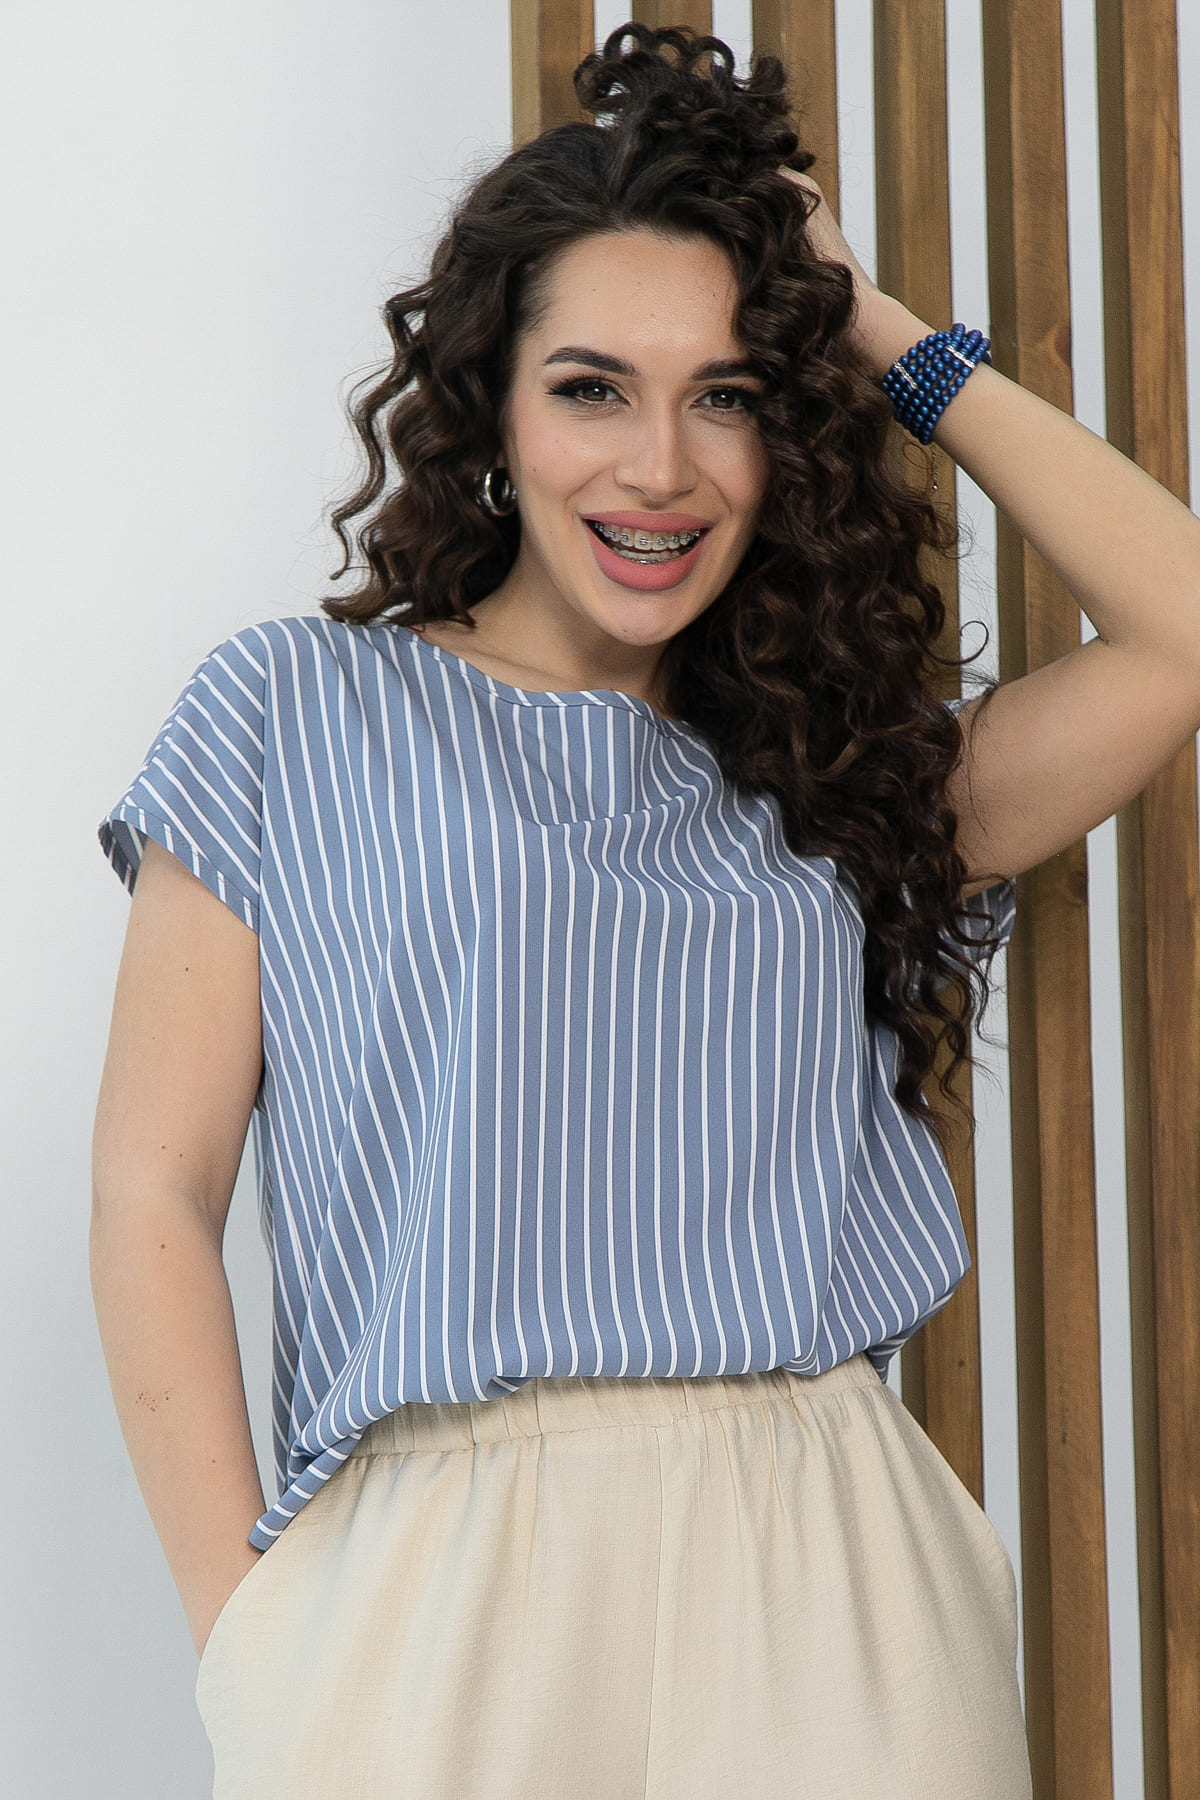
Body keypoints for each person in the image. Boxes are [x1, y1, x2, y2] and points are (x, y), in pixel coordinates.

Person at [90, 23, 1199, 1800]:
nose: (660, 465)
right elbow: (157, 1182)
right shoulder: (294, 710)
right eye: (593, 389)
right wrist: (252, 1637)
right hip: (434, 1588)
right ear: (493, 413)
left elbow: (1179, 631)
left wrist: (873, 327)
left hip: (830, 1574)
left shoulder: (837, 782)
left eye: (728, 396)